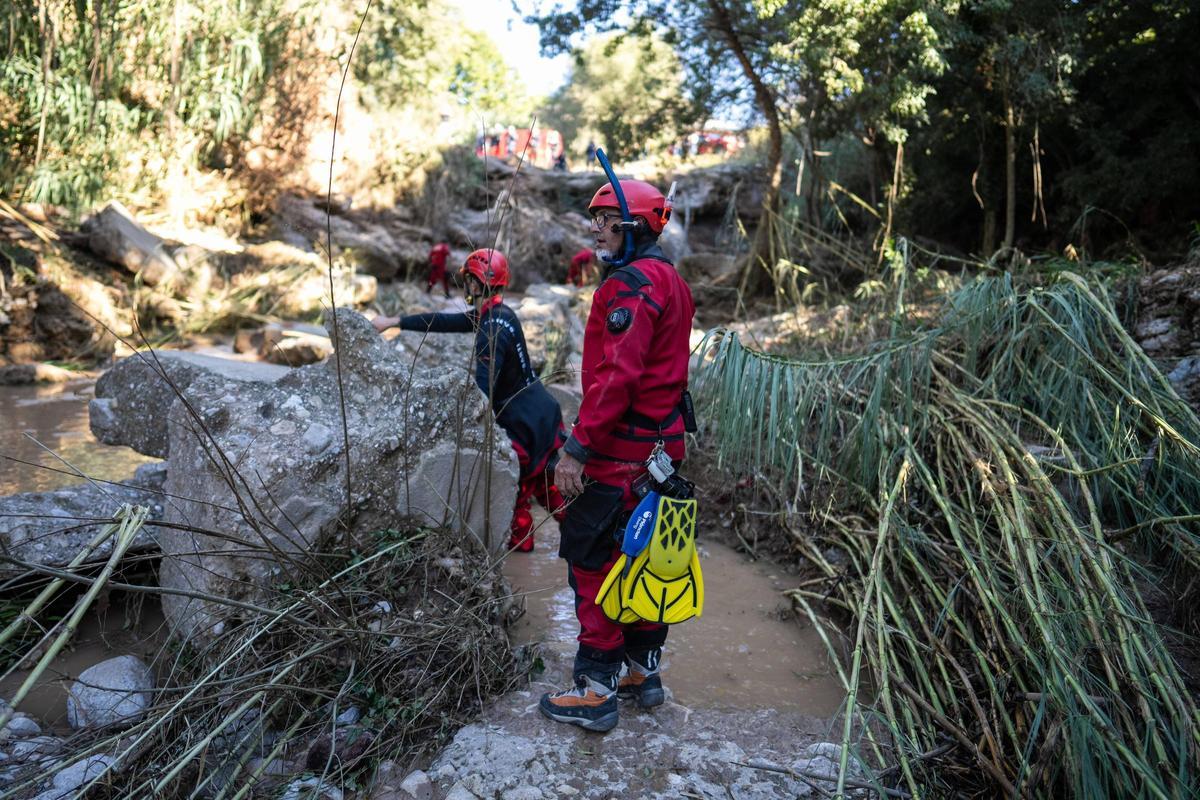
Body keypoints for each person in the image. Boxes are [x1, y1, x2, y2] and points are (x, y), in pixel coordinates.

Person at [539, 178, 695, 732]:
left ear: (632, 224)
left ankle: (595, 688)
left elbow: (617, 377)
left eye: (603, 218)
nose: (595, 228)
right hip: (661, 449)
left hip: (620, 451)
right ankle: (641, 671)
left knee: (593, 561)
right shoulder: (671, 281)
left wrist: (577, 449)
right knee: (651, 561)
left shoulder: (629, 286)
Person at [374, 249, 567, 552]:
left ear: (477, 284)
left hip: (523, 427)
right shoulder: (500, 314)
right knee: (554, 494)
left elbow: (482, 392)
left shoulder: (490, 330)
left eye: (469, 281)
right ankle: (582, 554)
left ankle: (523, 570)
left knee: (514, 504)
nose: (466, 287)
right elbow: (444, 321)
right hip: (543, 415)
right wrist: (394, 320)